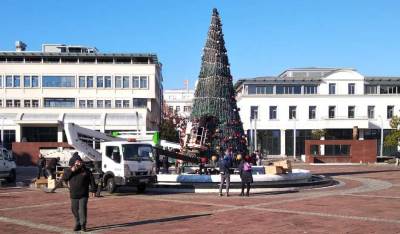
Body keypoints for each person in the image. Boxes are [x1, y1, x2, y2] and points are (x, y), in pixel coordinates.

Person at [62, 152, 96, 232]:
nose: (79, 163)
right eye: (77, 162)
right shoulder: (68, 170)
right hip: (73, 194)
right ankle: (77, 223)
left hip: (83, 194)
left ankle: (83, 224)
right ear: (73, 163)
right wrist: (71, 171)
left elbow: (92, 180)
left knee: (82, 209)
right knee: (74, 209)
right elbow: (64, 179)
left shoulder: (86, 171)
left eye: (80, 161)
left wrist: (93, 190)